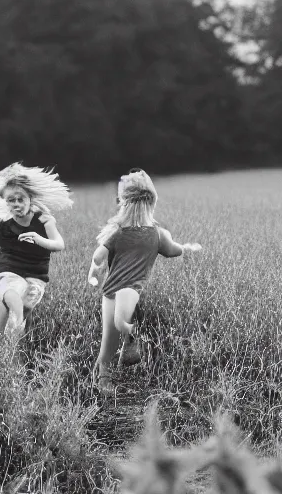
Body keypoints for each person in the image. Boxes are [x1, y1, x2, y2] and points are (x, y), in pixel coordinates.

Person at [88, 169, 201, 394]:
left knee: (120, 316)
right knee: (108, 340)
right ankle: (103, 379)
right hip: (110, 290)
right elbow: (174, 250)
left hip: (127, 288)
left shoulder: (152, 234)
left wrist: (187, 248)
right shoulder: (132, 234)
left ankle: (128, 340)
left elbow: (173, 250)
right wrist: (93, 270)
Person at [0, 162, 73, 340]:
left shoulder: (44, 220)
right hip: (7, 269)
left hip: (36, 273)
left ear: (30, 198)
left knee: (28, 304)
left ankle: (21, 337)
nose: (16, 204)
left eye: (21, 199)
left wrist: (39, 240)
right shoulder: (0, 221)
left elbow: (59, 244)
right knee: (14, 291)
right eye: (11, 200)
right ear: (5, 202)